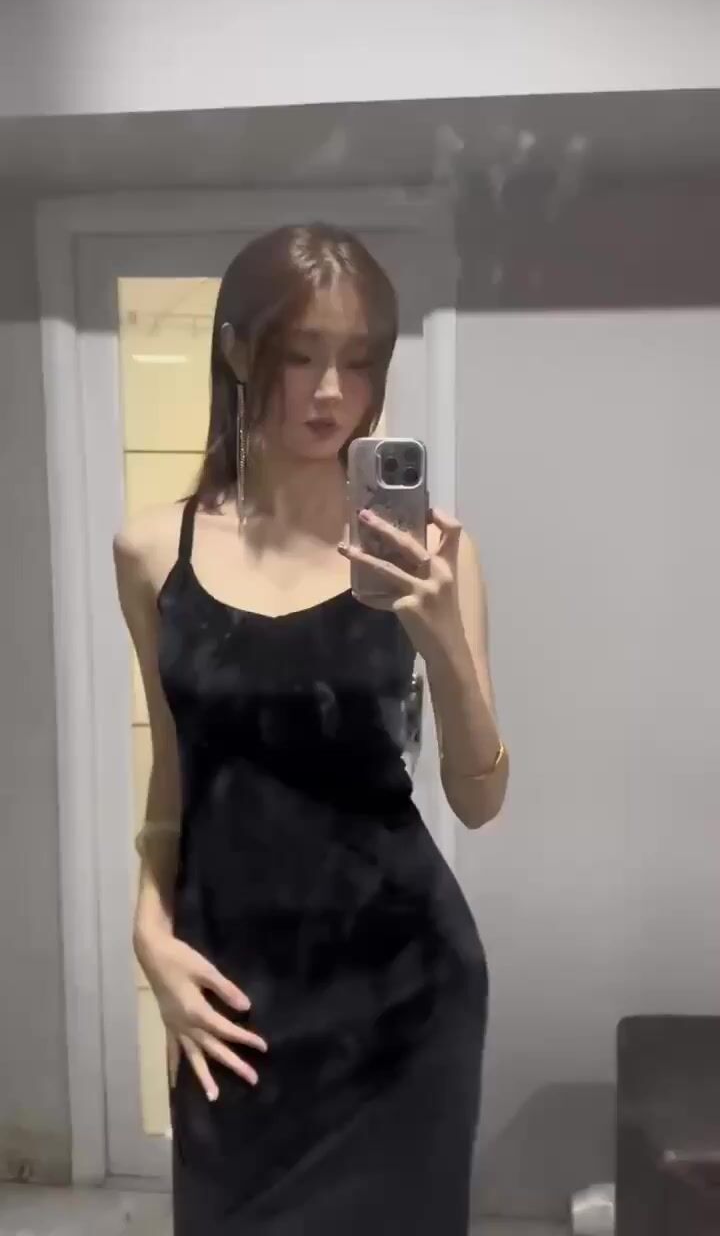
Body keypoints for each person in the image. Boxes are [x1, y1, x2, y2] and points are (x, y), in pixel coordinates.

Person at [114, 223, 509, 1235]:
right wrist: (149, 932)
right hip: (234, 995)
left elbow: (479, 797)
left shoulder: (434, 554)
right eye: (302, 355)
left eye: (360, 360)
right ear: (240, 352)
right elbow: (175, 774)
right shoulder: (154, 550)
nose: (333, 391)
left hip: (405, 995)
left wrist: (443, 641)